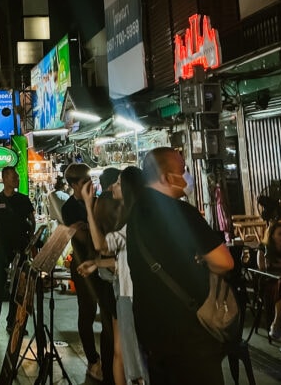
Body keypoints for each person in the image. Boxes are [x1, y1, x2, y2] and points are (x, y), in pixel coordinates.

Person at [127, 147, 234, 385]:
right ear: (166, 177)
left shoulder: (134, 214)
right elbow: (224, 262)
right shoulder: (181, 212)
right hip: (189, 332)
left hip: (151, 332)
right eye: (183, 169)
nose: (187, 175)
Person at [79, 167, 149, 385]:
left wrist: (88, 206)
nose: (112, 187)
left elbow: (101, 245)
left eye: (118, 183)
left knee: (134, 359)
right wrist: (97, 263)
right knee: (129, 354)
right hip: (128, 292)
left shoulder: (134, 221)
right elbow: (125, 260)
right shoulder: (137, 218)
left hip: (131, 294)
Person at [61, 162, 114, 383]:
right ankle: (93, 360)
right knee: (87, 312)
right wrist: (92, 228)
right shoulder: (69, 208)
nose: (90, 184)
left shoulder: (98, 201)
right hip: (83, 264)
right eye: (84, 181)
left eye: (90, 179)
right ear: (74, 185)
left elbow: (104, 233)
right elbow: (86, 238)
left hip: (104, 264)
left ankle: (109, 363)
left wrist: (89, 225)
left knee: (108, 314)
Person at [0, 165, 35, 343]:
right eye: (13, 177)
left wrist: (30, 240)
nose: (16, 179)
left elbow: (32, 221)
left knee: (19, 288)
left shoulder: (24, 200)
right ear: (4, 178)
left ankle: (13, 322)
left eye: (17, 177)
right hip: (3, 249)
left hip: (21, 248)